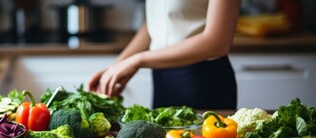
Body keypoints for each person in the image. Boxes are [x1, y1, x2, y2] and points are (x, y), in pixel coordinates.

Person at [87, 0, 241, 109]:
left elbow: (217, 42)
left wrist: (136, 61)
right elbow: (155, 23)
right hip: (162, 79)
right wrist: (117, 66)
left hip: (205, 81)